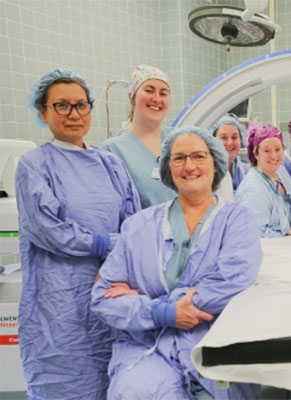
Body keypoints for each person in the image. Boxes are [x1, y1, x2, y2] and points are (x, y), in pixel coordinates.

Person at [91, 126, 262, 399]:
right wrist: (162, 313)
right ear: (168, 168)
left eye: (198, 156)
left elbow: (234, 278)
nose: (189, 165)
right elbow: (103, 299)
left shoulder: (237, 220)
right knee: (136, 391)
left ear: (215, 164)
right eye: (179, 158)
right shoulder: (138, 226)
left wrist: (155, 301)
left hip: (213, 340)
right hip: (149, 346)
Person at [16, 68, 141, 399]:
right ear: (43, 112)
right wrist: (103, 243)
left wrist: (118, 258)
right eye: (62, 106)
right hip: (59, 303)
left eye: (81, 105)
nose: (74, 114)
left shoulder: (110, 163)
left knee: (113, 378)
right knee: (65, 382)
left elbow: (132, 221)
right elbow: (49, 231)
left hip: (111, 289)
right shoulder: (34, 165)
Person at [102, 64, 176, 208]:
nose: (156, 99)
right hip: (143, 229)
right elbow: (112, 209)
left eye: (163, 93)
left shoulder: (178, 139)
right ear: (132, 96)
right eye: (149, 91)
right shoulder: (113, 149)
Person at [235, 124, 291, 237]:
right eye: (267, 151)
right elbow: (256, 233)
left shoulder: (281, 172)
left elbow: (289, 214)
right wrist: (288, 234)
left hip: (289, 246)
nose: (274, 156)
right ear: (256, 153)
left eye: (278, 149)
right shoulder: (253, 188)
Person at [211, 114, 250, 193]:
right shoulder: (208, 172)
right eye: (223, 137)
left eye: (234, 137)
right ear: (213, 141)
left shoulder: (245, 170)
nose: (230, 143)